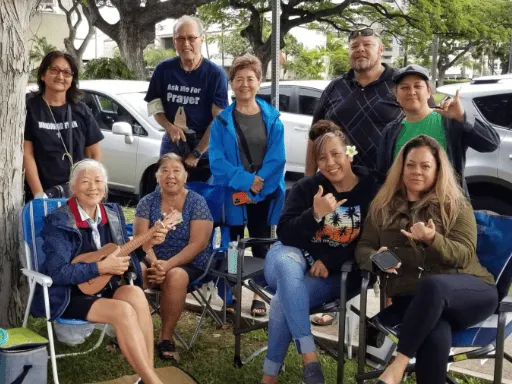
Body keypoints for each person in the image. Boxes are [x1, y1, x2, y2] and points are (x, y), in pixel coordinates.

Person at [355, 135, 498, 384]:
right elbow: (364, 247)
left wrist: (433, 239)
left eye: (425, 166)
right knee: (434, 332)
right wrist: (379, 260)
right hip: (413, 301)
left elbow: (464, 254)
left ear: (437, 170)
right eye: (410, 165)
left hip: (469, 291)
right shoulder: (383, 206)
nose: (416, 171)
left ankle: (396, 366)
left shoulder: (454, 204)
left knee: (433, 286)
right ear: (401, 168)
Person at [261, 121, 379, 384]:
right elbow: (285, 233)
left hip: (334, 273)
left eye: (336, 154)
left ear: (349, 153)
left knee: (284, 298)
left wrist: (330, 259)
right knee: (288, 268)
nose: (329, 163)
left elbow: (369, 239)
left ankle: (269, 377)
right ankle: (309, 358)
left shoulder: (371, 190)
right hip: (288, 256)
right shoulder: (307, 188)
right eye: (322, 157)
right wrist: (315, 214)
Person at [31, 159, 169, 384]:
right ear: (73, 187)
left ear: (105, 187)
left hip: (105, 288)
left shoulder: (112, 214)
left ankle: (147, 376)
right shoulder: (58, 221)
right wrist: (99, 267)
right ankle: (154, 381)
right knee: (122, 311)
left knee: (135, 294)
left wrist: (147, 244)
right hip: (69, 295)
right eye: (85, 181)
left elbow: (126, 257)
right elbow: (58, 273)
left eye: (98, 181)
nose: (92, 187)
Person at [209, 54, 286, 317]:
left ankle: (259, 295)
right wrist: (245, 183)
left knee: (263, 245)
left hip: (263, 195)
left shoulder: (273, 118)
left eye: (250, 78)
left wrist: (258, 189)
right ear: (231, 83)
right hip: (234, 195)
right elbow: (216, 161)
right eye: (238, 79)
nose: (244, 84)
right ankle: (230, 294)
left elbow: (278, 159)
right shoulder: (221, 121)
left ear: (259, 82)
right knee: (233, 245)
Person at [134, 153, 214, 361]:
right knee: (135, 272)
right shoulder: (147, 202)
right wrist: (154, 263)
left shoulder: (197, 202)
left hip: (188, 261)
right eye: (165, 171)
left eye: (177, 170)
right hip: (151, 257)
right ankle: (129, 331)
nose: (171, 175)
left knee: (176, 276)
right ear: (157, 176)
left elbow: (199, 243)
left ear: (185, 176)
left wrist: (167, 266)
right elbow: (141, 239)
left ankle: (165, 338)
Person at [376, 64, 500, 194]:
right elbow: (383, 176)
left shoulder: (449, 121)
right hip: (404, 208)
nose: (411, 92)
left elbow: (491, 144)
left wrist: (463, 117)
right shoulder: (391, 132)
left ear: (428, 91)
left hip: (446, 207)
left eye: (418, 86)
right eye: (404, 87)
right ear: (396, 94)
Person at [305, 28, 402, 176]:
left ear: (381, 49)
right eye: (354, 46)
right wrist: (309, 181)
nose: (360, 49)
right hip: (337, 184)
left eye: (367, 45)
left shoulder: (402, 83)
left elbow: (427, 120)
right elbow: (314, 137)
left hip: (387, 186)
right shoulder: (334, 87)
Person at [144, 15, 229, 182]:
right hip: (173, 140)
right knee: (166, 190)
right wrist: (169, 126)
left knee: (202, 198)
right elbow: (154, 106)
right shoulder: (163, 69)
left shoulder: (215, 74)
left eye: (191, 38)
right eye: (180, 38)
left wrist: (197, 152)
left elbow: (219, 120)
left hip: (205, 144)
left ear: (201, 39)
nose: (186, 44)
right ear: (174, 41)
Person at [24, 51, 103, 200]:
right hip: (43, 192)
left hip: (76, 193)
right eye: (54, 70)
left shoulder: (81, 110)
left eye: (67, 72)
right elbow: (27, 153)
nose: (60, 77)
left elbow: (94, 154)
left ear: (72, 79)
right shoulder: (30, 108)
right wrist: (39, 194)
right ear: (42, 75)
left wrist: (89, 187)